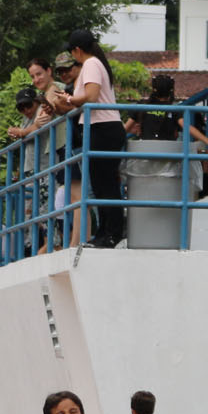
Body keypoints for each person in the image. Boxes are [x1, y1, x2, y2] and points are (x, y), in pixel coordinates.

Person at [46, 30, 127, 249]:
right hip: (99, 127)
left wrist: (69, 98)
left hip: (103, 127)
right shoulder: (96, 63)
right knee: (100, 185)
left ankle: (113, 232)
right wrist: (65, 103)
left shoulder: (91, 64)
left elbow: (91, 96)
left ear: (77, 50)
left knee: (105, 184)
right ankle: (104, 232)